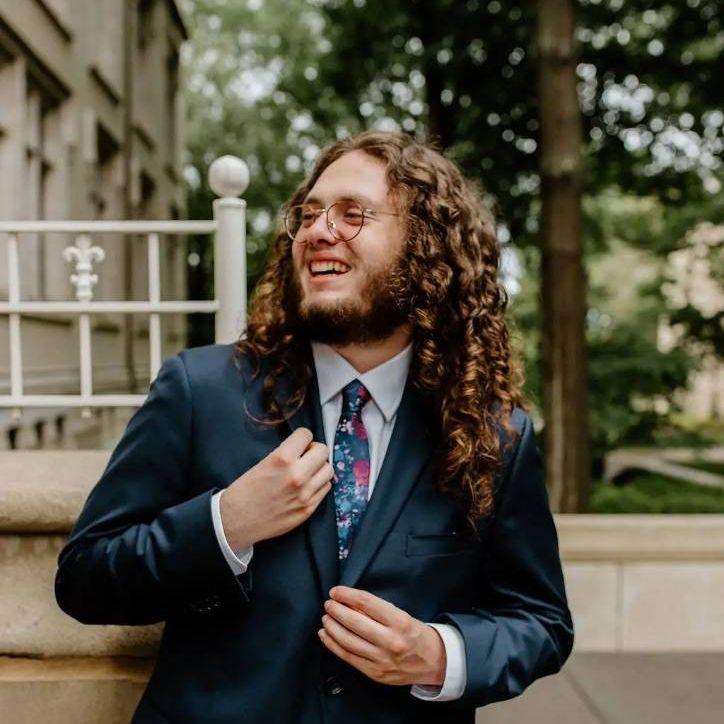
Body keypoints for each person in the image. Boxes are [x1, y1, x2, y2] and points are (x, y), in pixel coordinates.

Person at [55, 131, 574, 724]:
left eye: (353, 214)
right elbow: (86, 579)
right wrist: (227, 523)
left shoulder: (493, 432)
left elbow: (540, 621)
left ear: (426, 246)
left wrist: (439, 655)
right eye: (308, 214)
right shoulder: (199, 390)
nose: (317, 231)